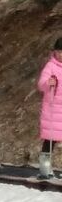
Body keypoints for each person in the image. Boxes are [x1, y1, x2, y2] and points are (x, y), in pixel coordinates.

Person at [37, 37, 62, 179]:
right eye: (59, 51)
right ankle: (45, 165)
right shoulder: (50, 66)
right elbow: (41, 84)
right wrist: (48, 83)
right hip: (53, 109)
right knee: (50, 138)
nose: (61, 55)